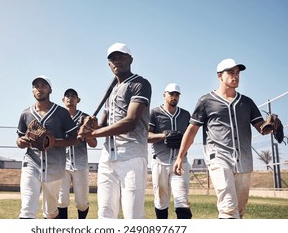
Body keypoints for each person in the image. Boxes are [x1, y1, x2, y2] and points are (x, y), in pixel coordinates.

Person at [173, 59, 273, 219]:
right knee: (228, 207)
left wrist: (271, 126)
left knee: (239, 211)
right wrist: (179, 157)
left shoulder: (247, 102)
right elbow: (191, 130)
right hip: (218, 158)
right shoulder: (206, 101)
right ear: (220, 76)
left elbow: (261, 128)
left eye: (238, 73)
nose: (236, 76)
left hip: (244, 160)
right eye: (231, 73)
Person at [78, 42, 152, 219]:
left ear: (130, 59)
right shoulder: (111, 91)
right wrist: (90, 125)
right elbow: (102, 127)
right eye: (112, 58)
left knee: (132, 215)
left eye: (121, 56)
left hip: (132, 155)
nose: (117, 61)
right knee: (105, 212)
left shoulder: (140, 84)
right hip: (108, 157)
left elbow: (130, 122)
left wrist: (93, 133)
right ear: (108, 64)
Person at [16, 75, 79, 219]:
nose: (40, 89)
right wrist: (21, 142)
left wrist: (53, 142)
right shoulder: (25, 114)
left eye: (44, 86)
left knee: (50, 212)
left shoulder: (61, 113)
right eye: (36, 86)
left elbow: (75, 139)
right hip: (31, 164)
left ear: (50, 90)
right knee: (26, 209)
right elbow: (19, 139)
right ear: (32, 90)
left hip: (54, 166)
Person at [148, 83, 192, 219]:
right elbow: (146, 136)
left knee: (182, 200)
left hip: (180, 163)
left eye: (176, 95)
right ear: (164, 95)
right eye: (171, 94)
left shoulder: (185, 114)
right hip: (160, 162)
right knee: (161, 201)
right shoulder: (154, 113)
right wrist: (164, 135)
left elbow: (190, 136)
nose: (174, 97)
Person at [57, 88, 98, 219]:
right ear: (63, 100)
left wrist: (86, 134)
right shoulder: (58, 119)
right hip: (62, 164)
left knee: (82, 203)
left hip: (80, 164)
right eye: (67, 96)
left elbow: (94, 143)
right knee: (61, 201)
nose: (70, 98)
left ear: (78, 100)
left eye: (73, 96)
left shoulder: (85, 118)